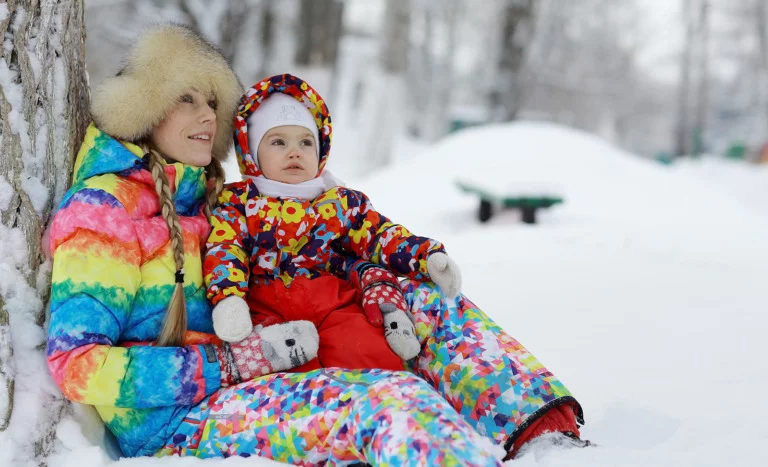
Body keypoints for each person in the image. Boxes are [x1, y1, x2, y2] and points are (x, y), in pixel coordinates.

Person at [45, 24, 510, 465]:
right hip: (179, 420)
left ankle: (531, 427)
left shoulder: (207, 201)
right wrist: (231, 362)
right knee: (387, 401)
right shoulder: (104, 208)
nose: (208, 114)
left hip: (251, 381)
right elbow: (77, 364)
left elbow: (304, 258)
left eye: (212, 101)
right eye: (186, 98)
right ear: (142, 108)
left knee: (429, 300)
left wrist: (368, 276)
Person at [203, 74, 463, 371]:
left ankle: (381, 403)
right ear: (251, 153)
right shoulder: (239, 202)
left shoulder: (338, 202)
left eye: (306, 142)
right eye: (278, 142)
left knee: (369, 353)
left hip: (333, 304)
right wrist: (229, 297)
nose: (295, 151)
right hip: (266, 309)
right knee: (284, 371)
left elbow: (379, 235)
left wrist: (424, 256)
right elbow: (225, 248)